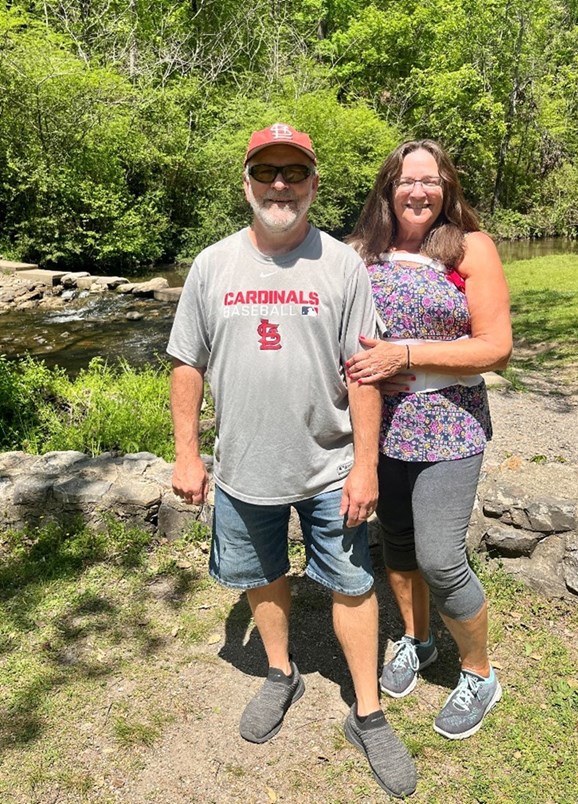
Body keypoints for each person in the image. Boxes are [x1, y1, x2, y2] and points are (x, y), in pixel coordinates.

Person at [167, 123, 417, 797]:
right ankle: (282, 674)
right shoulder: (211, 265)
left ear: (313, 184)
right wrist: (187, 455)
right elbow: (187, 364)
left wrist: (366, 466)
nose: (281, 184)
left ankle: (367, 712)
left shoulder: (340, 265)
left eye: (295, 173)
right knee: (264, 575)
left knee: (353, 583)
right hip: (245, 465)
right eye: (267, 171)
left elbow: (362, 372)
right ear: (246, 181)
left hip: (330, 464)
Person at [345, 139, 512, 740]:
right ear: (388, 188)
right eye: (408, 179)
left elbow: (496, 347)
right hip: (378, 427)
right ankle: (419, 639)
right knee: (396, 544)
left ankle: (479, 673)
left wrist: (406, 354)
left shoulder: (471, 248)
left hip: (450, 422)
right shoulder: (359, 252)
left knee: (441, 556)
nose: (420, 190)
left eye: (432, 179)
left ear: (447, 189)